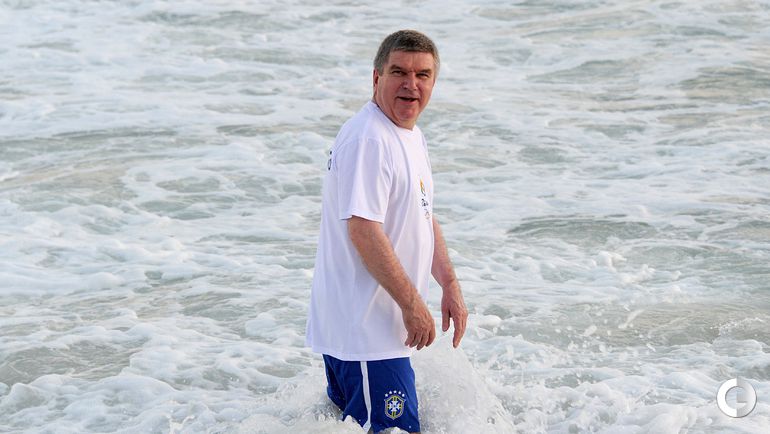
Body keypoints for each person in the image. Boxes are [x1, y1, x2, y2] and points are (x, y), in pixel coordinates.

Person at [305, 29, 468, 433]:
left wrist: (449, 284)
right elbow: (363, 230)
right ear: (377, 77)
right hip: (365, 333)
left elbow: (423, 214)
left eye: (422, 74)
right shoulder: (370, 139)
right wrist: (412, 305)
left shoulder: (409, 136)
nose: (411, 84)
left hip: (376, 332)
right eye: (399, 72)